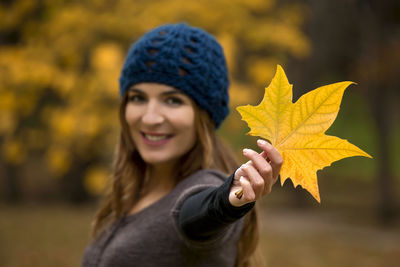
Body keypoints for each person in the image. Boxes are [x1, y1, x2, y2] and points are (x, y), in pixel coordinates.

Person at [81, 23, 282, 267]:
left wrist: (227, 203)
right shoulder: (134, 192)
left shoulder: (207, 185)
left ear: (203, 115)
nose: (150, 117)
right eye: (137, 98)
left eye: (173, 100)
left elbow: (198, 215)